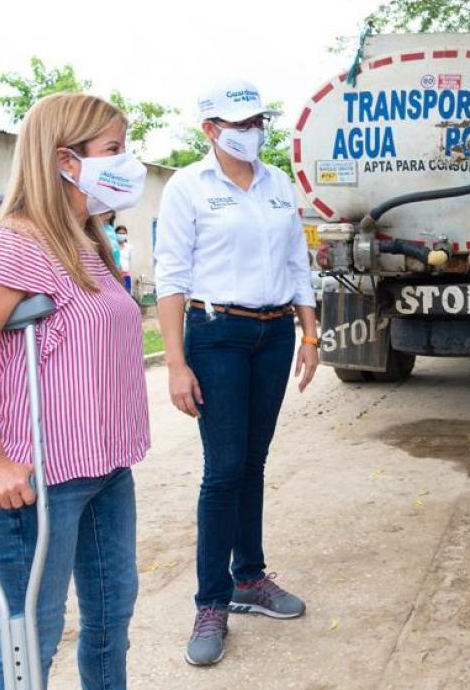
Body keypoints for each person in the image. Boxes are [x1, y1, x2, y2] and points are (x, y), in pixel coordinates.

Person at [0, 93, 150, 689]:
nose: (126, 163)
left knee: (111, 619)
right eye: (113, 150)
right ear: (66, 160)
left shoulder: (88, 241)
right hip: (36, 483)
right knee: (33, 633)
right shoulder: (11, 245)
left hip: (106, 468)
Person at [155, 80, 319, 667]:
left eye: (258, 120)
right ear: (210, 129)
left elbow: (298, 262)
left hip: (272, 334)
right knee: (223, 470)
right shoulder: (186, 187)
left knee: (253, 462)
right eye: (238, 122)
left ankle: (249, 577)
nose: (251, 131)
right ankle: (212, 601)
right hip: (216, 333)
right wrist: (176, 364)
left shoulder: (278, 185)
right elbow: (171, 278)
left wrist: (309, 331)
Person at [116, 224, 133, 294]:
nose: (122, 235)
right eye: (120, 233)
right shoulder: (113, 247)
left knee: (127, 296)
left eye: (124, 233)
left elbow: (130, 261)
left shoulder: (129, 247)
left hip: (126, 277)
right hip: (116, 276)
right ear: (115, 234)